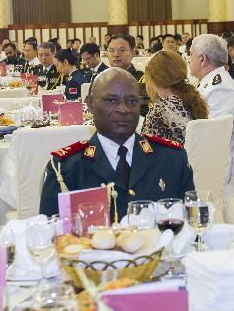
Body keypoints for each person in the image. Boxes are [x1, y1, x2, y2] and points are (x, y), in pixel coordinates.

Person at [38, 68, 195, 221]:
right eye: (111, 100)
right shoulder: (66, 168)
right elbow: (51, 237)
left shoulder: (171, 159)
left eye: (132, 101)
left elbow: (191, 228)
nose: (123, 109)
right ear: (91, 105)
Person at [142, 50, 208, 144]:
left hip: (172, 158)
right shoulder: (191, 100)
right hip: (191, 157)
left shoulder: (158, 109)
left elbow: (146, 149)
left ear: (154, 79)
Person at [190, 34, 234, 120]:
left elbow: (214, 130)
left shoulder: (218, 88)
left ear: (202, 59)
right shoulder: (213, 81)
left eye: (191, 54)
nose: (189, 59)